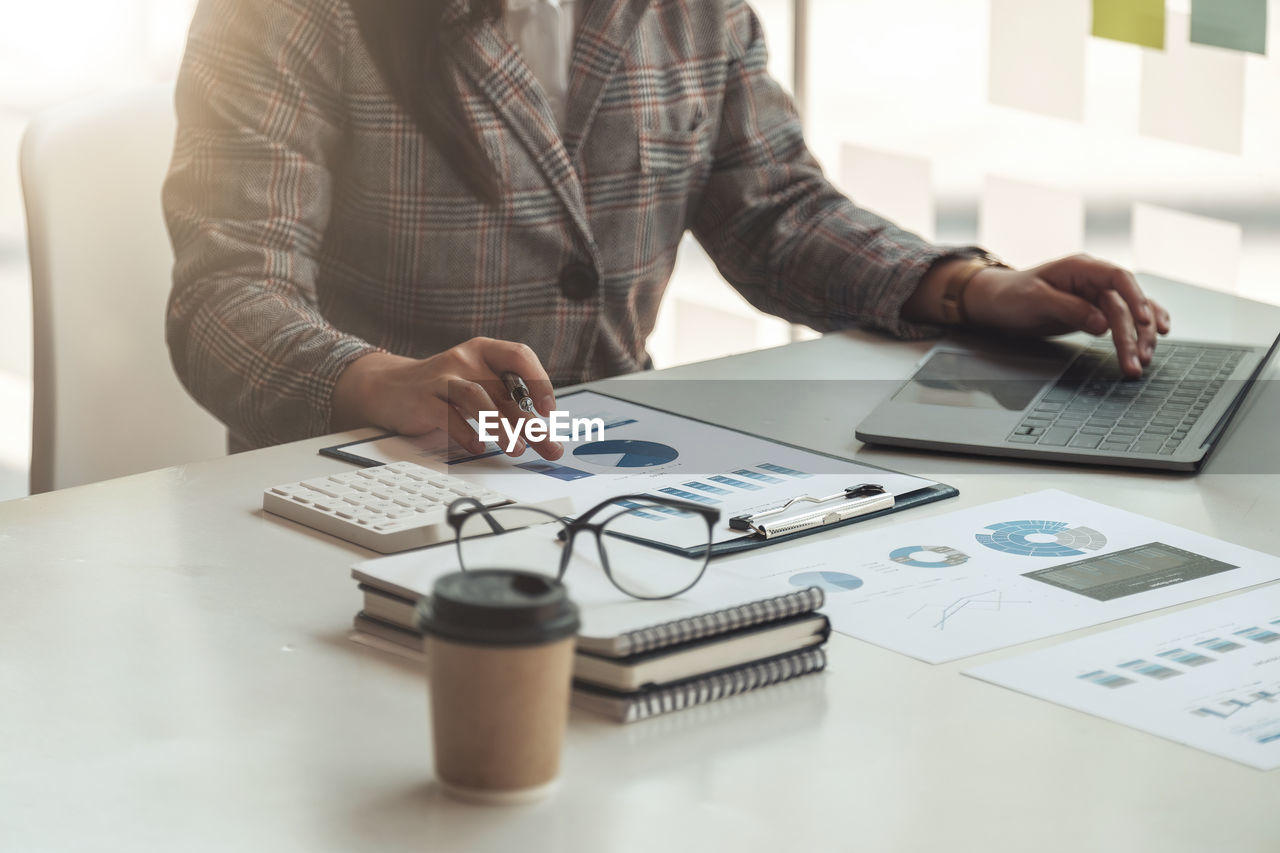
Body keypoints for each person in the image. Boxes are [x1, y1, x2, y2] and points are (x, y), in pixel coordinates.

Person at [163, 0, 1171, 461]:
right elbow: (226, 296)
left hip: (609, 477)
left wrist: (962, 286)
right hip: (362, 484)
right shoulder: (291, 13)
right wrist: (376, 381)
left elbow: (771, 207)